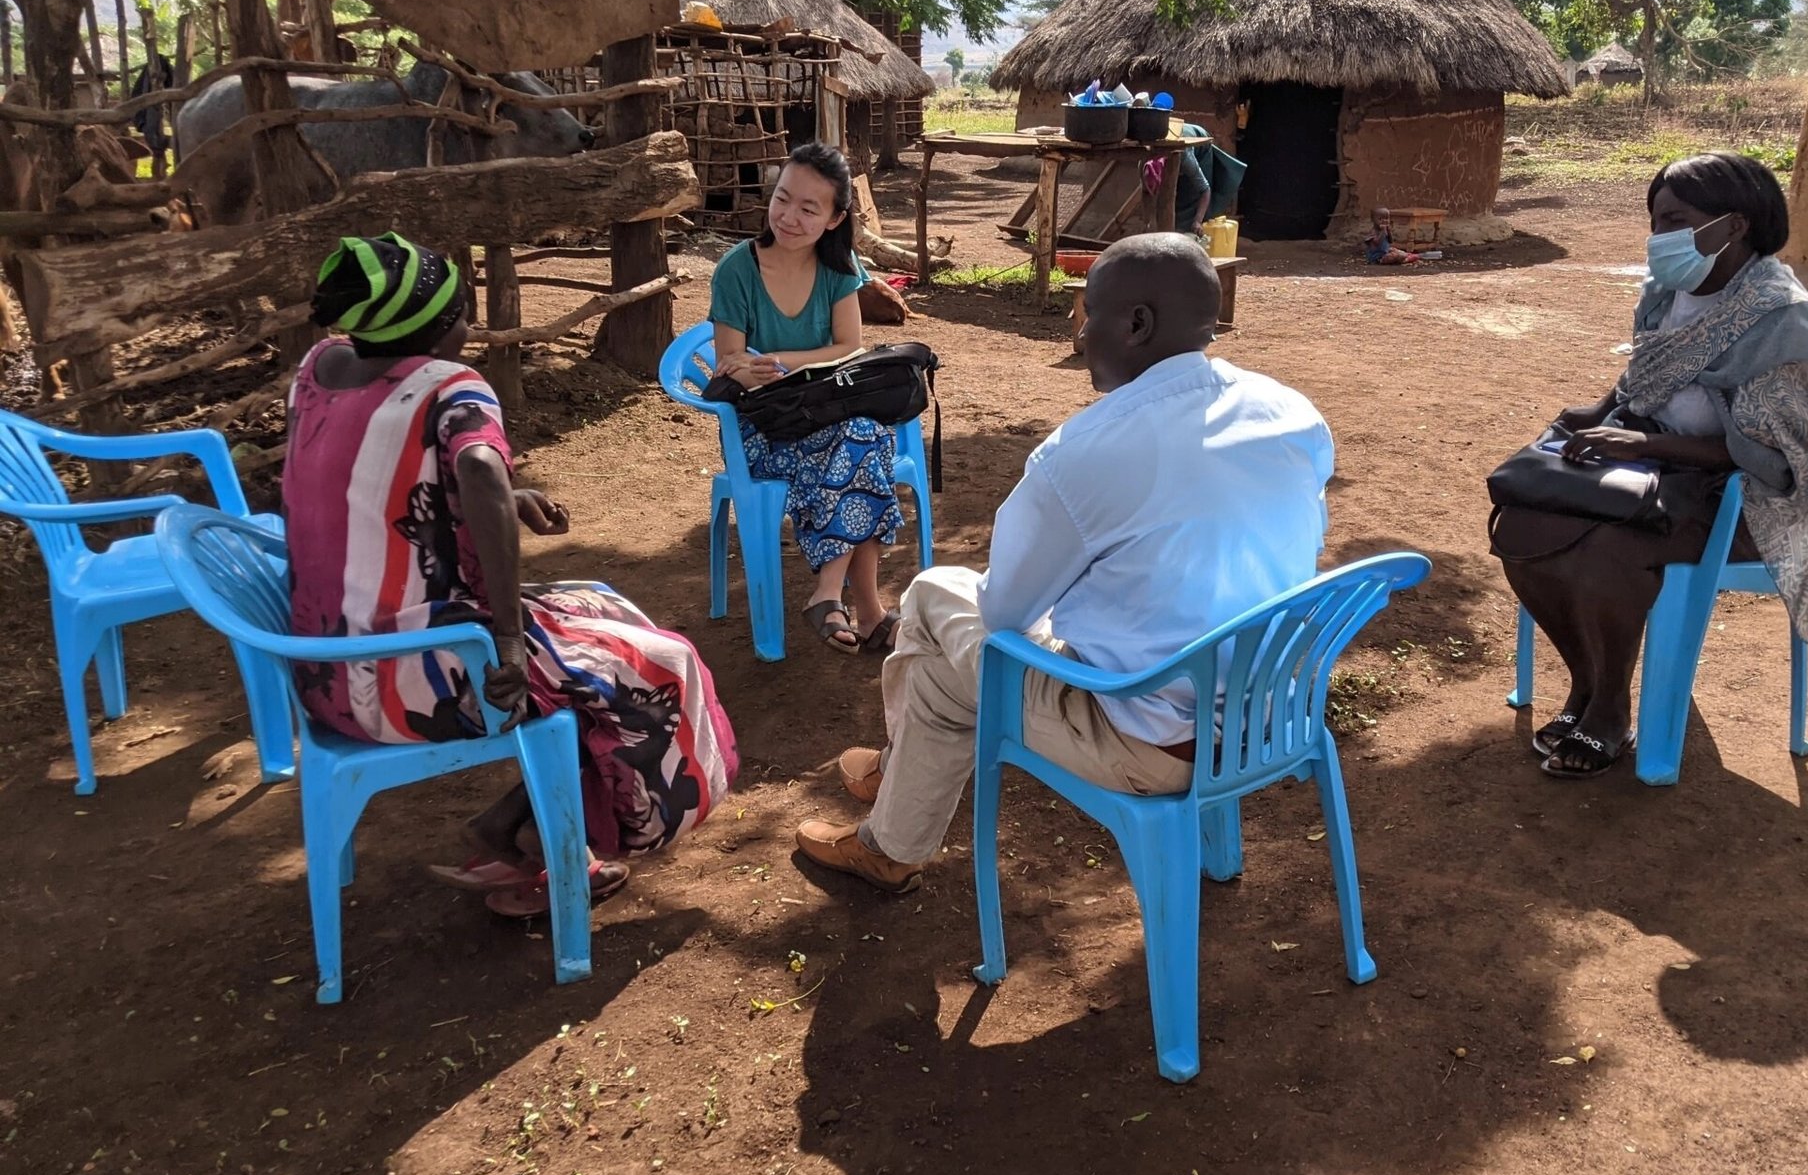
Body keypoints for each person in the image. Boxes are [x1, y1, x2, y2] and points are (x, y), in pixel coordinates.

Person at [793, 233, 1336, 893]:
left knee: (938, 599)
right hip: (1269, 714)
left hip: (1144, 738)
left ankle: (892, 827)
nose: (1077, 335)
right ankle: (893, 789)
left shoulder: (1083, 454)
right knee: (953, 663)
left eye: (1087, 313)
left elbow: (1003, 615)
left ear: (1136, 323)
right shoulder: (1292, 412)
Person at [283, 233, 739, 916]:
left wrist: (503, 497)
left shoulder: (321, 369)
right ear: (440, 329)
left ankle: (529, 824)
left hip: (323, 670)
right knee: (658, 668)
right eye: (464, 312)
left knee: (599, 605)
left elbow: (393, 483)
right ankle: (546, 840)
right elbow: (473, 467)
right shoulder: (451, 387)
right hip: (407, 680)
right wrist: (501, 638)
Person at [1492, 152, 1808, 777]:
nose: (1659, 238)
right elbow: (1642, 382)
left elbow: (1780, 455)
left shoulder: (1782, 320)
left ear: (1734, 225)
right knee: (1521, 525)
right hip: (1656, 466)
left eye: (1676, 219)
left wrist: (1645, 448)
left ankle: (1611, 710)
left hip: (1741, 494)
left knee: (1604, 553)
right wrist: (1599, 417)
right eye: (1655, 220)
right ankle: (1588, 683)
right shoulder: (1668, 292)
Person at [708, 142, 905, 655]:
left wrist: (782, 362)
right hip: (765, 427)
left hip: (827, 414)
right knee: (868, 445)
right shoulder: (736, 270)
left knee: (862, 439)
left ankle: (832, 595)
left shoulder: (839, 270)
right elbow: (729, 361)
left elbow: (849, 346)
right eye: (782, 199)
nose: (788, 217)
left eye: (808, 208)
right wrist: (754, 370)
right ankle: (867, 609)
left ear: (836, 218)